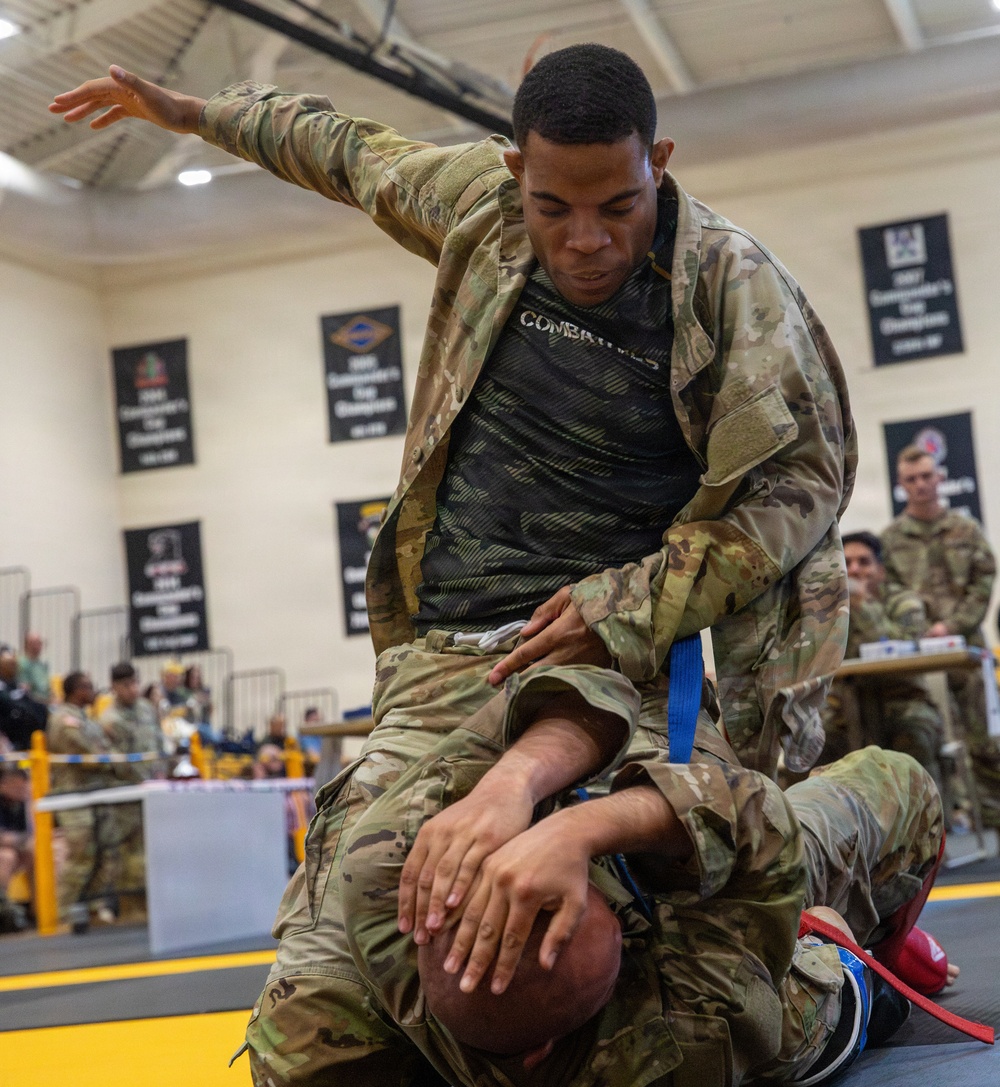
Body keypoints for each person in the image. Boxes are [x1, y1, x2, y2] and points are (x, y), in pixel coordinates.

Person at [51, 43, 855, 1084]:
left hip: (619, 660)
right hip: (451, 654)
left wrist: (630, 599)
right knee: (317, 1007)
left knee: (647, 936)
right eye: (552, 206)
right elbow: (342, 150)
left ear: (658, 160)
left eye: (618, 204)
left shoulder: (727, 286)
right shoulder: (476, 205)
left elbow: (800, 484)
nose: (585, 241)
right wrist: (192, 111)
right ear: (514, 169)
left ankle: (829, 956)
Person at [881, 445, 998, 825]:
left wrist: (953, 625)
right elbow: (890, 591)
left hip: (968, 648)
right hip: (918, 655)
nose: (921, 485)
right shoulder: (891, 540)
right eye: (911, 479)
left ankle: (993, 817)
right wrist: (920, 628)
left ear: (940, 479)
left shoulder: (966, 530)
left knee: (985, 738)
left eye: (926, 476)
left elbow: (984, 580)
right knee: (929, 734)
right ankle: (947, 817)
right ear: (902, 485)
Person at [819, 531, 943, 790]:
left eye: (864, 562)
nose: (854, 570)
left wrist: (863, 605)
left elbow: (901, 647)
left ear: (881, 570)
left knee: (915, 737)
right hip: (846, 705)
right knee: (814, 741)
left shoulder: (904, 603)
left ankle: (928, 821)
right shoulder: (826, 607)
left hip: (902, 699)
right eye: (847, 562)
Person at [46, 672, 124, 925]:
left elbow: (107, 746)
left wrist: (109, 754)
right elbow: (87, 750)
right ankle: (65, 914)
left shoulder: (86, 718)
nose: (92, 691)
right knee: (82, 856)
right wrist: (109, 758)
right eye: (86, 687)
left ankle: (91, 908)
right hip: (73, 795)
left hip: (96, 792)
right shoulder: (63, 718)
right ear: (73, 691)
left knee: (106, 854)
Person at [100, 662, 168, 914]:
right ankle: (126, 909)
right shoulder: (110, 719)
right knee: (127, 855)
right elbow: (119, 761)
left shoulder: (146, 708)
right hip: (127, 795)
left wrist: (161, 770)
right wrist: (145, 779)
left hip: (153, 788)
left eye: (135, 683)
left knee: (152, 851)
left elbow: (159, 740)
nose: (133, 689)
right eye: (126, 685)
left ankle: (150, 905)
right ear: (115, 687)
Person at [0, 766, 32, 934]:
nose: (22, 791)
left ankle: (40, 910)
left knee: (37, 853)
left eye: (24, 787)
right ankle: (2, 910)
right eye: (17, 787)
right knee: (6, 857)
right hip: (5, 852)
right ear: (3, 785)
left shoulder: (22, 804)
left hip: (16, 848)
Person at [16, 632, 51, 704]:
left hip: (47, 701)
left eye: (39, 643)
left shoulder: (42, 665)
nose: (37, 646)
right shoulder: (21, 664)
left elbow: (47, 687)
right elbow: (25, 689)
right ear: (26, 645)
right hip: (33, 703)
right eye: (34, 643)